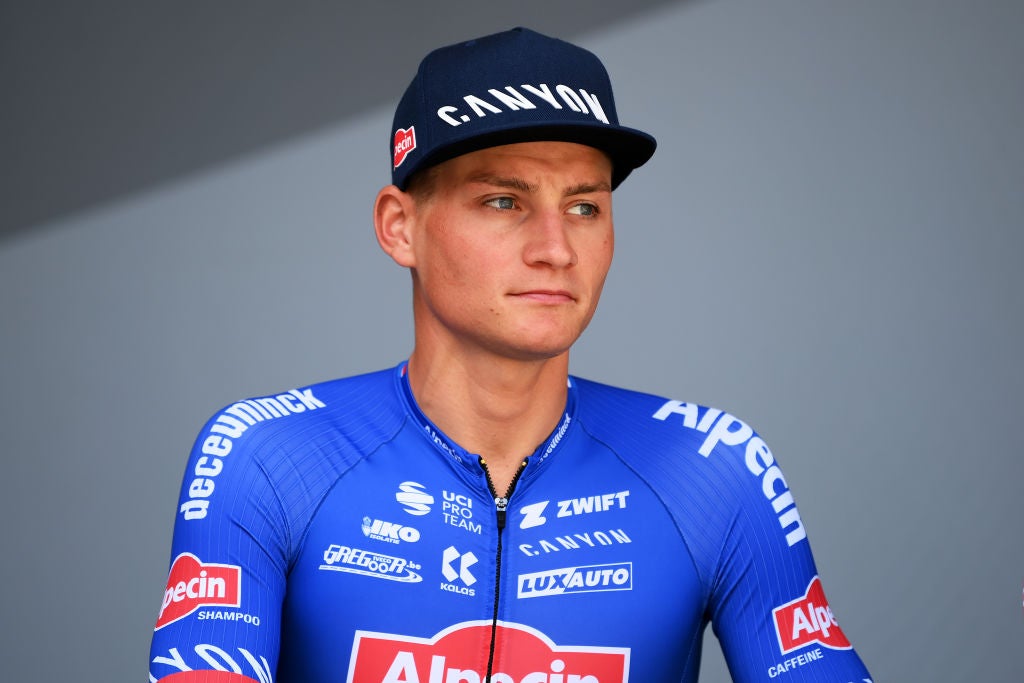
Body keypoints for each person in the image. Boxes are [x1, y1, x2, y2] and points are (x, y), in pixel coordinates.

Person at [149, 27, 873, 683]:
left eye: (584, 206)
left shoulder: (711, 469)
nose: (556, 249)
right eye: (504, 201)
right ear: (400, 227)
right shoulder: (271, 458)